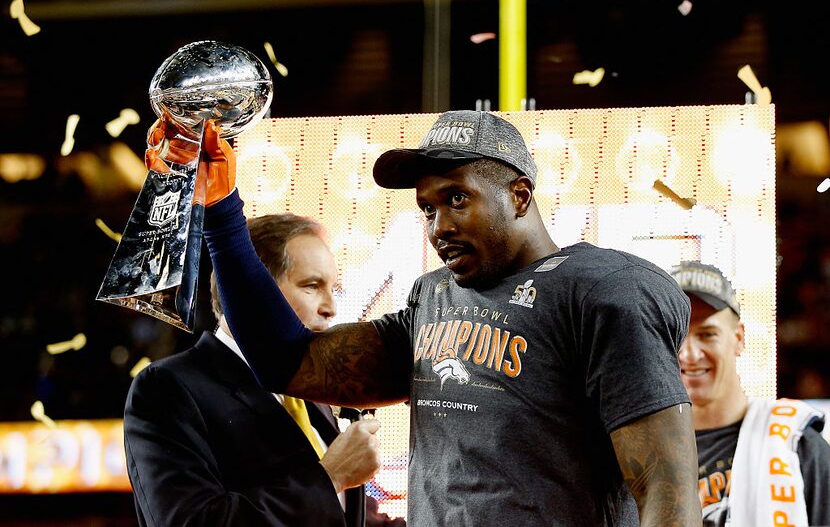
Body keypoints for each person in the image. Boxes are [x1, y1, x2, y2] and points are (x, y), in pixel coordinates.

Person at [199, 110, 701, 525]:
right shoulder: (434, 296)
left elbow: (665, 487)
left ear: (518, 196)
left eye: (457, 199)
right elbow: (284, 362)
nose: (439, 226)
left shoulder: (604, 289)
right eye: (427, 208)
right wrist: (221, 211)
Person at [124, 139, 383, 525]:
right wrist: (331, 478)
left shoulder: (313, 391)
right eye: (312, 286)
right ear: (248, 287)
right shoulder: (168, 388)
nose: (331, 307)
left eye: (334, 289)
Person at [670, 261, 830, 527]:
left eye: (707, 334)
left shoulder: (795, 441)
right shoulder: (634, 449)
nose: (689, 354)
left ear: (739, 339)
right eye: (676, 336)